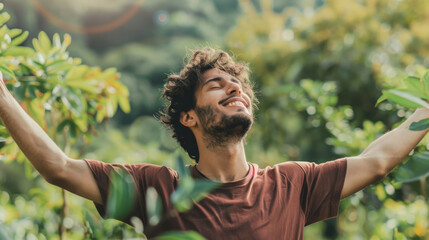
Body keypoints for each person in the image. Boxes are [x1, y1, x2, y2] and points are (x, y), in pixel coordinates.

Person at [0, 48, 428, 239]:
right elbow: (58, 166)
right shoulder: (157, 190)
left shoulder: (292, 184)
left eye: (238, 85)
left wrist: (424, 109)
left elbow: (377, 161)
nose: (235, 89)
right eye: (217, 86)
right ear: (189, 116)